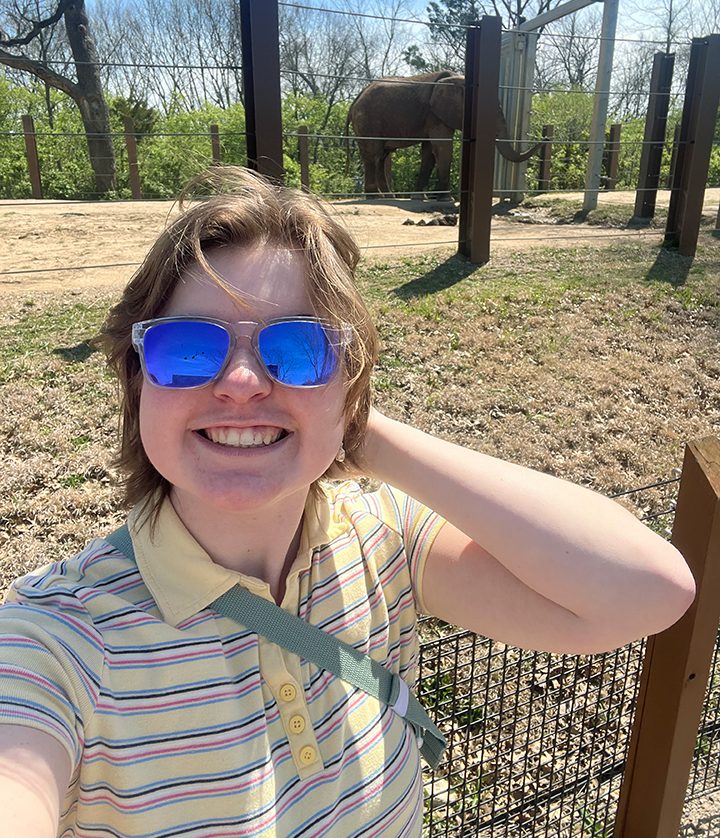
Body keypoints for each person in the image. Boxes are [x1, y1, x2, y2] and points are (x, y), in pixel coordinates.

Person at [0, 166, 695, 837]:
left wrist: (348, 428)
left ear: (354, 387)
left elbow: (647, 591)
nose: (241, 381)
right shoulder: (55, 642)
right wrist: (308, 407)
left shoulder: (382, 537)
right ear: (136, 382)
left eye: (298, 350)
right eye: (188, 348)